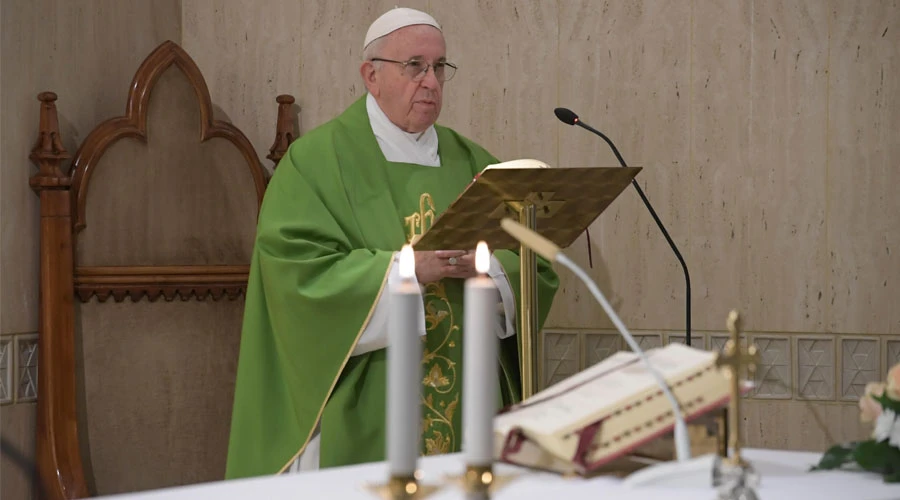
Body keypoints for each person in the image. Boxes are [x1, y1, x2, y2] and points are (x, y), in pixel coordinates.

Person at [225, 7, 558, 479]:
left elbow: (534, 261)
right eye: (415, 66)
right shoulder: (317, 162)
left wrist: (488, 267)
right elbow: (296, 276)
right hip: (364, 401)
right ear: (371, 75)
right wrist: (407, 270)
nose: (431, 82)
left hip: (470, 401)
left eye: (440, 67)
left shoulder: (475, 164)